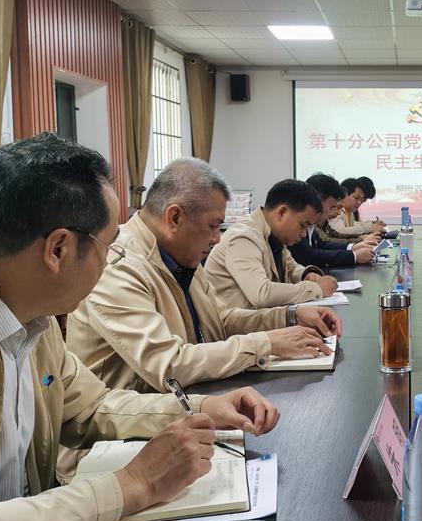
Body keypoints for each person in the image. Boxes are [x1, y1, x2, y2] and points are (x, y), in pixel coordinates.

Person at [0, 134, 280, 521]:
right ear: (58, 249)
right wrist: (132, 485)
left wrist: (202, 408)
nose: (110, 261)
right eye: (108, 245)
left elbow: (90, 408)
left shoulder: (29, 314)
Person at [66, 158, 341, 398]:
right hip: (134, 426)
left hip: (188, 402)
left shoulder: (181, 255)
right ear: (175, 217)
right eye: (212, 226)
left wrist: (290, 316)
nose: (217, 238)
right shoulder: (120, 266)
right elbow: (169, 365)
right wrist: (265, 343)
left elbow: (221, 321)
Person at [206, 179, 339, 308]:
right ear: (282, 213)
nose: (304, 234)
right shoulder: (243, 236)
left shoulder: (275, 236)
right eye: (303, 225)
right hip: (234, 322)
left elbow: (292, 268)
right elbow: (262, 293)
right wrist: (316, 289)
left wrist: (307, 274)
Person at [289, 174, 375, 270]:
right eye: (332, 207)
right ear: (316, 202)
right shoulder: (297, 224)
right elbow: (308, 256)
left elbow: (322, 245)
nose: (333, 213)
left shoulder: (311, 223)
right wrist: (354, 256)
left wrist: (353, 247)